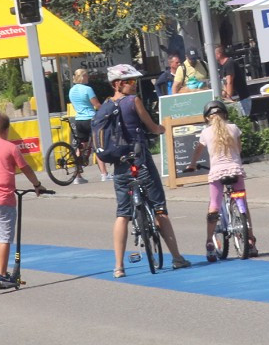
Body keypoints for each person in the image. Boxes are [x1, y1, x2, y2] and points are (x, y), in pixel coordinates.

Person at [106, 63, 191, 277]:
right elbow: (151, 127)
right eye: (130, 81)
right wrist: (161, 129)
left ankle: (118, 267)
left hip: (119, 166)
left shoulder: (105, 106)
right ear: (117, 84)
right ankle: (177, 258)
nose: (134, 85)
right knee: (159, 208)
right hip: (140, 161)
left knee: (122, 213)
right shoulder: (133, 101)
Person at [0, 112, 47, 287]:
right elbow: (25, 168)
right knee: (5, 237)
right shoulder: (10, 147)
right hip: (3, 197)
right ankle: (2, 274)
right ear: (7, 130)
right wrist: (37, 184)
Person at [184, 100, 258, 261]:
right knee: (242, 203)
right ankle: (250, 240)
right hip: (235, 170)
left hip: (217, 173)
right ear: (225, 114)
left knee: (214, 206)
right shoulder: (234, 128)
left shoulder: (206, 133)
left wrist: (192, 164)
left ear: (207, 118)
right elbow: (238, 150)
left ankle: (210, 243)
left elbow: (198, 150)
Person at [68, 69, 108, 182]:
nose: (88, 78)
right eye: (87, 76)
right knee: (97, 145)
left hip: (79, 120)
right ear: (83, 77)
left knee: (81, 146)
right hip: (91, 119)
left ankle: (77, 176)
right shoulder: (88, 89)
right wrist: (106, 110)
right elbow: (97, 105)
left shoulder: (71, 90)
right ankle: (104, 174)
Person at [215, 45, 251, 116]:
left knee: (242, 121)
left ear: (219, 54)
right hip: (235, 100)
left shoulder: (229, 63)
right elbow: (225, 84)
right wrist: (221, 97)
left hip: (241, 99)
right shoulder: (222, 66)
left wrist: (228, 97)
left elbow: (230, 82)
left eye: (214, 54)